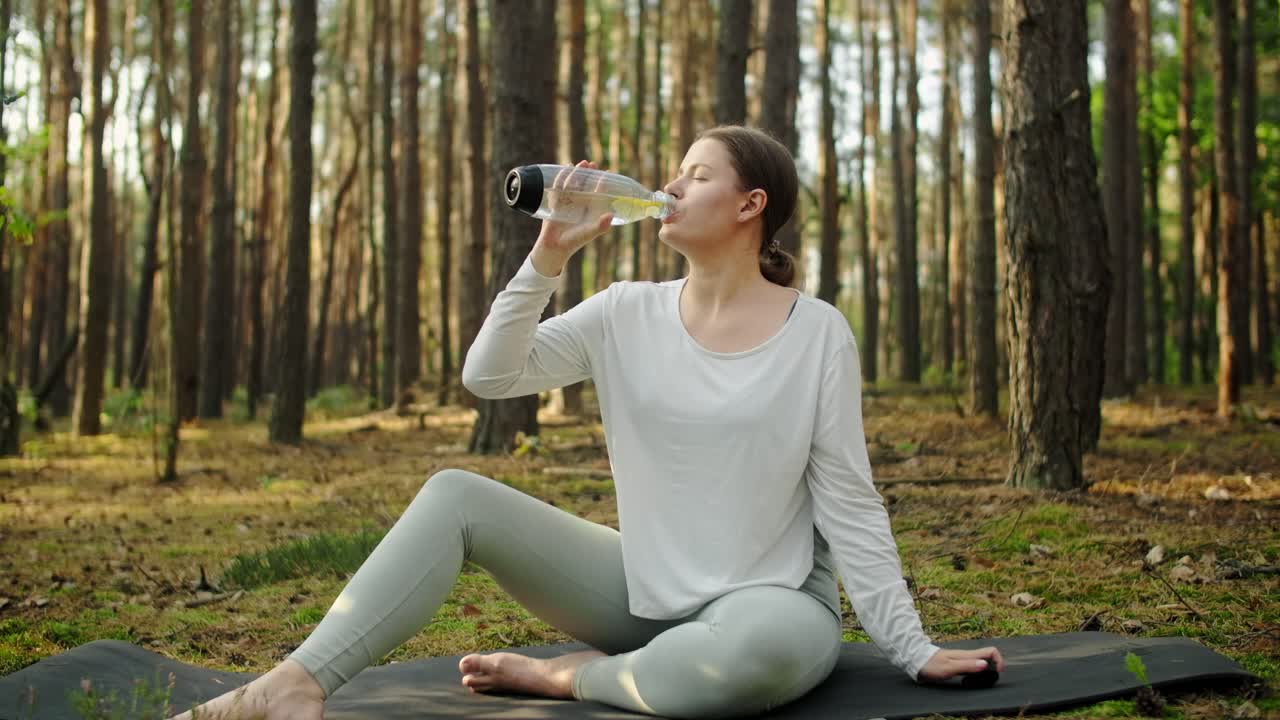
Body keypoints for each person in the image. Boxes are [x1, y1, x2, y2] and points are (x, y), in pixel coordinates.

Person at [169, 125, 1003, 720]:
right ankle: (296, 681)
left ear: (751, 205)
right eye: (673, 173)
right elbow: (488, 376)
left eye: (696, 174)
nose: (670, 187)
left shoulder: (816, 330)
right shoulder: (624, 313)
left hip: (772, 603)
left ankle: (570, 680)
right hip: (642, 590)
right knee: (456, 493)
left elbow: (851, 502)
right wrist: (547, 259)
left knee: (739, 664)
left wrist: (912, 646)